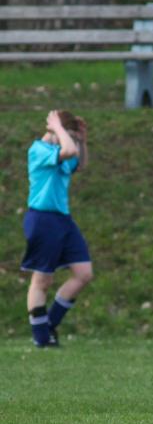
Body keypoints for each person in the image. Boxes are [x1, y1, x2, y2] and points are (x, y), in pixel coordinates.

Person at [21, 110, 92, 348]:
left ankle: (48, 325)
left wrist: (82, 139)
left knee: (83, 274)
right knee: (42, 280)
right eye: (66, 135)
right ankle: (42, 338)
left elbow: (79, 163)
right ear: (53, 130)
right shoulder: (39, 150)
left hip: (63, 219)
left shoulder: (64, 148)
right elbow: (68, 151)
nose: (69, 140)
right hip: (42, 219)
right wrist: (60, 129)